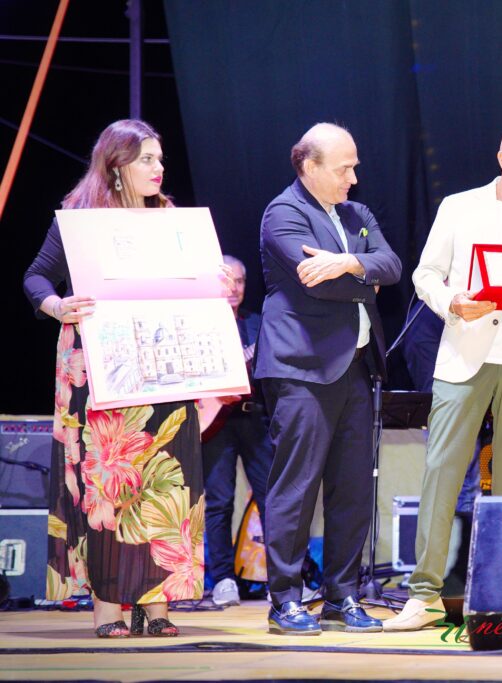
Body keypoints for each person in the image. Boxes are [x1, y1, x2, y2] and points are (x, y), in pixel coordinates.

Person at [384, 124, 502, 631]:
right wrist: (454, 303)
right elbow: (425, 273)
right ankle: (423, 594)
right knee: (442, 472)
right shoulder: (459, 206)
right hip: (465, 353)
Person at [23, 119, 205, 637]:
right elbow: (35, 276)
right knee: (110, 487)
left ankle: (159, 605)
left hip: (164, 367)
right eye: (148, 158)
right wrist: (57, 304)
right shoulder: (81, 219)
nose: (159, 168)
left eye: (160, 158)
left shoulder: (168, 218)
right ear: (117, 164)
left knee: (167, 479)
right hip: (104, 369)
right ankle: (110, 607)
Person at [255, 123, 401, 635]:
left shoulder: (356, 215)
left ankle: (342, 596)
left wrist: (348, 263)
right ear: (309, 167)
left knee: (353, 489)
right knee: (296, 488)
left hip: (355, 368)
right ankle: (285, 600)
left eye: (355, 167)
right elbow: (318, 287)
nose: (353, 178)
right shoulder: (284, 212)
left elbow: (393, 265)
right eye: (344, 169)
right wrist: (363, 277)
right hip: (302, 369)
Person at [198, 254, 273, 607]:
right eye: (229, 280)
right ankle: (224, 579)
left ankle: (282, 578)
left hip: (254, 419)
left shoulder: (259, 325)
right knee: (219, 502)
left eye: (241, 281)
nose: (235, 288)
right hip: (216, 423)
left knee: (273, 499)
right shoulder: (198, 327)